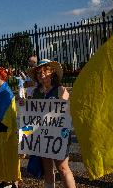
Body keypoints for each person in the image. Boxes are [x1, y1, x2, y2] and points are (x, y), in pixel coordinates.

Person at [26, 59, 76, 188]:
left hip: (59, 134)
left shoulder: (60, 90)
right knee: (47, 169)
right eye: (38, 73)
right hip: (42, 134)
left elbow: (65, 115)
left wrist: (63, 102)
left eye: (44, 71)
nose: (41, 74)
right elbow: (32, 116)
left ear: (52, 73)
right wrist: (24, 135)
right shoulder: (35, 92)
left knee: (63, 168)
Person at [0, 67, 21, 188]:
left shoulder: (6, 92)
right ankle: (6, 180)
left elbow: (8, 114)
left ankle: (13, 182)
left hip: (5, 129)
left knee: (9, 155)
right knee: (1, 155)